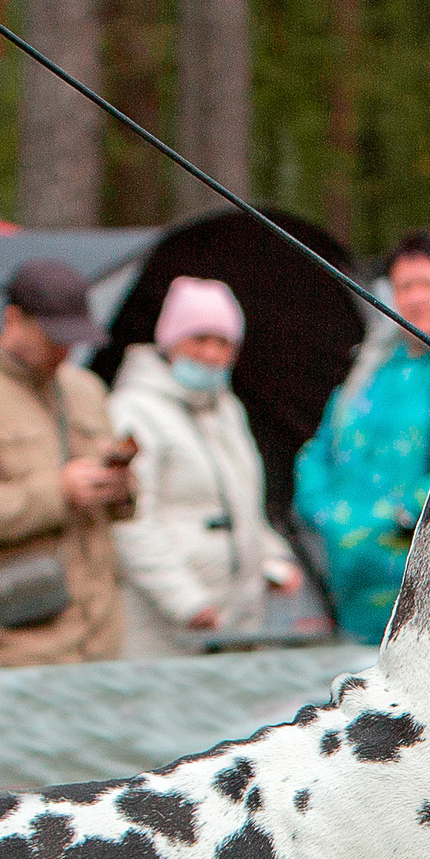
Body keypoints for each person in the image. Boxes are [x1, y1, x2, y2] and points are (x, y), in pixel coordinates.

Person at [292, 227, 430, 643]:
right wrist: (328, 517)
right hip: (351, 602)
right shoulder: (369, 368)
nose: (416, 298)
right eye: (404, 287)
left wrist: (396, 516)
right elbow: (316, 452)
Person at [0, 257, 135, 668]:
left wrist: (120, 487)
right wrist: (59, 491)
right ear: (13, 318)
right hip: (22, 649)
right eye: (53, 336)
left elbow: (120, 506)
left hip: (103, 637)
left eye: (73, 337)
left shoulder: (85, 389)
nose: (65, 349)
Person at [106, 274, 302, 660]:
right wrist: (188, 603)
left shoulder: (227, 409)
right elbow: (129, 521)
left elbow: (244, 505)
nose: (212, 354)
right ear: (170, 341)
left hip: (235, 624)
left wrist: (271, 557)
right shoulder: (132, 411)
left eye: (224, 342)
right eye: (199, 339)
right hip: (168, 629)